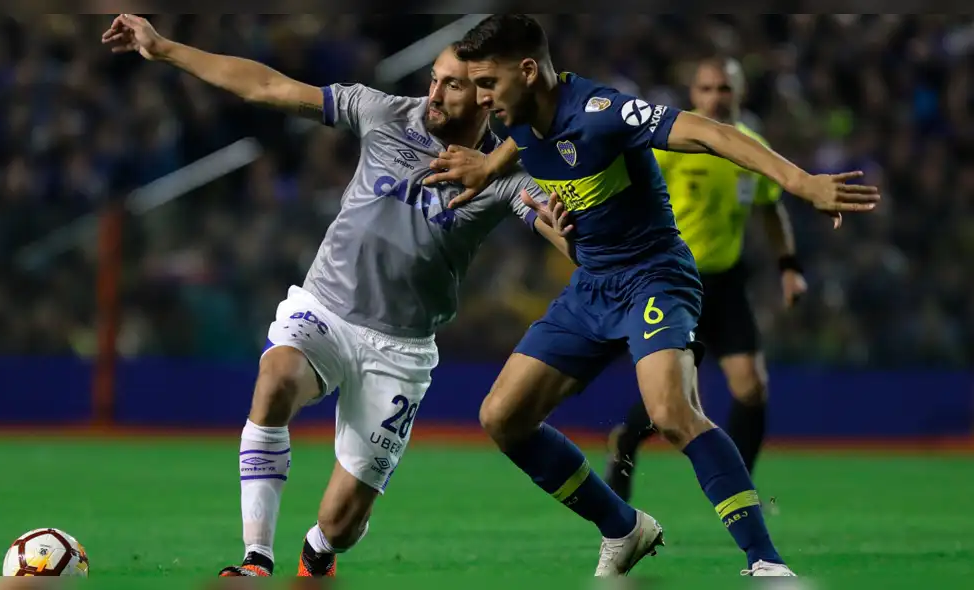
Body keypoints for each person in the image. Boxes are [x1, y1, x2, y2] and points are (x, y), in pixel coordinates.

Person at [102, 14, 571, 578]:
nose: (434, 92)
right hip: (325, 309)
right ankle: (256, 560)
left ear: (486, 96)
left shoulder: (503, 172)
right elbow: (268, 87)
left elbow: (549, 221)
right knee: (275, 378)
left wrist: (575, 238)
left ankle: (318, 553)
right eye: (435, 77)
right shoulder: (384, 114)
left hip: (400, 349)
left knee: (342, 522)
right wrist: (166, 48)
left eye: (453, 84)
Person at [426, 14, 878, 577]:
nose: (482, 98)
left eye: (488, 84)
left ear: (527, 71)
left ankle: (764, 559)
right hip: (591, 284)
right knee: (501, 416)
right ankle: (624, 526)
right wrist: (488, 168)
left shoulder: (603, 113)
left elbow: (712, 133)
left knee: (670, 411)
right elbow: (522, 145)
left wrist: (801, 182)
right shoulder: (518, 117)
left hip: (654, 276)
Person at [603, 56, 808, 501]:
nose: (716, 98)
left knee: (751, 387)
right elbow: (628, 190)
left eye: (725, 89)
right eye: (707, 89)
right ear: (693, 95)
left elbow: (771, 207)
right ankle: (626, 441)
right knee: (672, 400)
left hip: (726, 280)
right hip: (673, 279)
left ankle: (741, 485)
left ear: (740, 94)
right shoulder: (672, 143)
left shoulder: (752, 147)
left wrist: (788, 266)